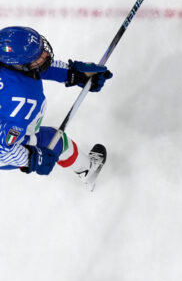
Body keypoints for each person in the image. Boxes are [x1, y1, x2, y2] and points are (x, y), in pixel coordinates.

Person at [0, 26, 110, 189]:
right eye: (37, 55)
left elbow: (33, 68)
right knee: (55, 140)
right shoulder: (23, 101)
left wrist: (74, 74)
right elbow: (2, 152)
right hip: (5, 147)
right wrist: (31, 158)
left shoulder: (9, 60)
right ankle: (89, 170)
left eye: (41, 49)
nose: (45, 54)